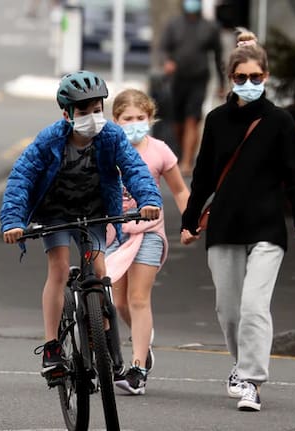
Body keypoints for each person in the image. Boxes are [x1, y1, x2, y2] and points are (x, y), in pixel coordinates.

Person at [179, 30, 295, 412]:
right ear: (230, 79)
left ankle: (252, 381)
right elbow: (204, 176)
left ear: (266, 77)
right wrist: (189, 222)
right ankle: (240, 366)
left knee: (255, 306)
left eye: (257, 78)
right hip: (224, 227)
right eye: (242, 78)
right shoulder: (217, 120)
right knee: (229, 309)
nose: (250, 84)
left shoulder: (280, 121)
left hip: (268, 229)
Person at [0, 70, 162, 384]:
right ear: (67, 114)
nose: (93, 117)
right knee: (59, 269)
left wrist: (148, 199)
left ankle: (102, 342)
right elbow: (21, 178)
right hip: (57, 211)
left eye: (97, 110)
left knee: (100, 272)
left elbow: (134, 169)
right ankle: (51, 347)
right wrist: (13, 221)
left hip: (94, 210)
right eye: (84, 112)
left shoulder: (112, 136)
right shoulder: (50, 139)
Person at [105, 89, 190, 395]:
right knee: (117, 302)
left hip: (148, 233)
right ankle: (144, 340)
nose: (135, 123)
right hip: (113, 234)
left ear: (150, 119)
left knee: (139, 299)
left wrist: (190, 222)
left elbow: (180, 191)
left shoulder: (159, 151)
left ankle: (138, 368)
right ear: (115, 120)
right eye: (128, 118)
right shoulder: (107, 149)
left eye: (141, 118)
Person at [160, 0, 225, 176]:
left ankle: (187, 161)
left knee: (192, 119)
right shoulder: (174, 25)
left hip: (199, 79)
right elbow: (164, 48)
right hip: (177, 80)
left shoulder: (210, 27)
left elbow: (218, 56)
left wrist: (222, 83)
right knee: (178, 123)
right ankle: (181, 154)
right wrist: (167, 62)